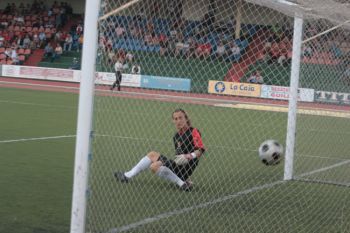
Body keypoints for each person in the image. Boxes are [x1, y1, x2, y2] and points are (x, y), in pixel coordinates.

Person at [115, 109, 206, 191]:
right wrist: (167, 162)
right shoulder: (176, 136)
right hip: (177, 165)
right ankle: (127, 175)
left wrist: (190, 156)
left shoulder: (193, 131)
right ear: (173, 121)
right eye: (176, 119)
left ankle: (181, 183)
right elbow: (178, 157)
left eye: (180, 118)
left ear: (186, 118)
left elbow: (200, 150)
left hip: (187, 167)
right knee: (152, 155)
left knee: (154, 166)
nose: (178, 121)